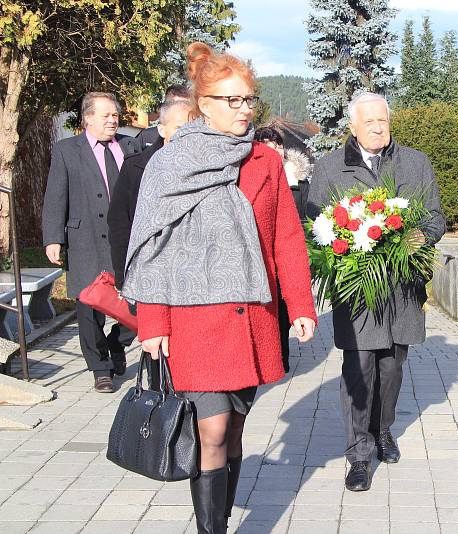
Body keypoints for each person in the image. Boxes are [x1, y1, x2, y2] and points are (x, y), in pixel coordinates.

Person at [122, 42, 317, 533]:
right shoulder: (171, 164)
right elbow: (152, 247)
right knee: (210, 429)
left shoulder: (264, 162)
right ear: (203, 103)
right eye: (233, 100)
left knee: (234, 432)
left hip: (251, 318)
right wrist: (152, 321)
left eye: (249, 99)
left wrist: (301, 306)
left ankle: (222, 518)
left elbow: (286, 239)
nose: (245, 109)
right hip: (193, 322)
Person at [307, 92, 446, 492]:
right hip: (358, 292)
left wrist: (422, 234)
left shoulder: (415, 163)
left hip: (402, 290)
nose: (377, 128)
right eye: (369, 122)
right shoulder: (331, 168)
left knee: (391, 368)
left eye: (382, 120)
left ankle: (383, 429)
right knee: (359, 370)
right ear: (352, 127)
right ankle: (359, 455)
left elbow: (437, 217)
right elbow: (315, 226)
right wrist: (343, 240)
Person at [42, 92, 137, 393]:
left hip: (127, 239)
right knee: (89, 307)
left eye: (115, 115)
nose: (113, 120)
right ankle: (100, 368)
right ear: (88, 118)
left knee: (136, 304)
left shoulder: (129, 146)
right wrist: (53, 237)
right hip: (85, 238)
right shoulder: (68, 150)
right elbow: (55, 195)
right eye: (106, 115)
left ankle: (117, 344)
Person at [108, 99, 191, 388]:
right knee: (157, 353)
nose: (185, 134)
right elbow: (119, 223)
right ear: (162, 129)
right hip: (149, 276)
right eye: (180, 127)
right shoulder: (136, 168)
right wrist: (123, 274)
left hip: (189, 280)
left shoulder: (204, 167)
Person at [254, 125, 312, 372]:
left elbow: (307, 213)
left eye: (278, 145)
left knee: (285, 307)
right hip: (263, 255)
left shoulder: (296, 177)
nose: (275, 149)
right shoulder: (254, 176)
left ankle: (281, 357)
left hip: (289, 251)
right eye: (269, 144)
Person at [130, 84, 190, 153]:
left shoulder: (196, 138)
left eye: (187, 105)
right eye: (178, 105)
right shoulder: (146, 137)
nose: (183, 110)